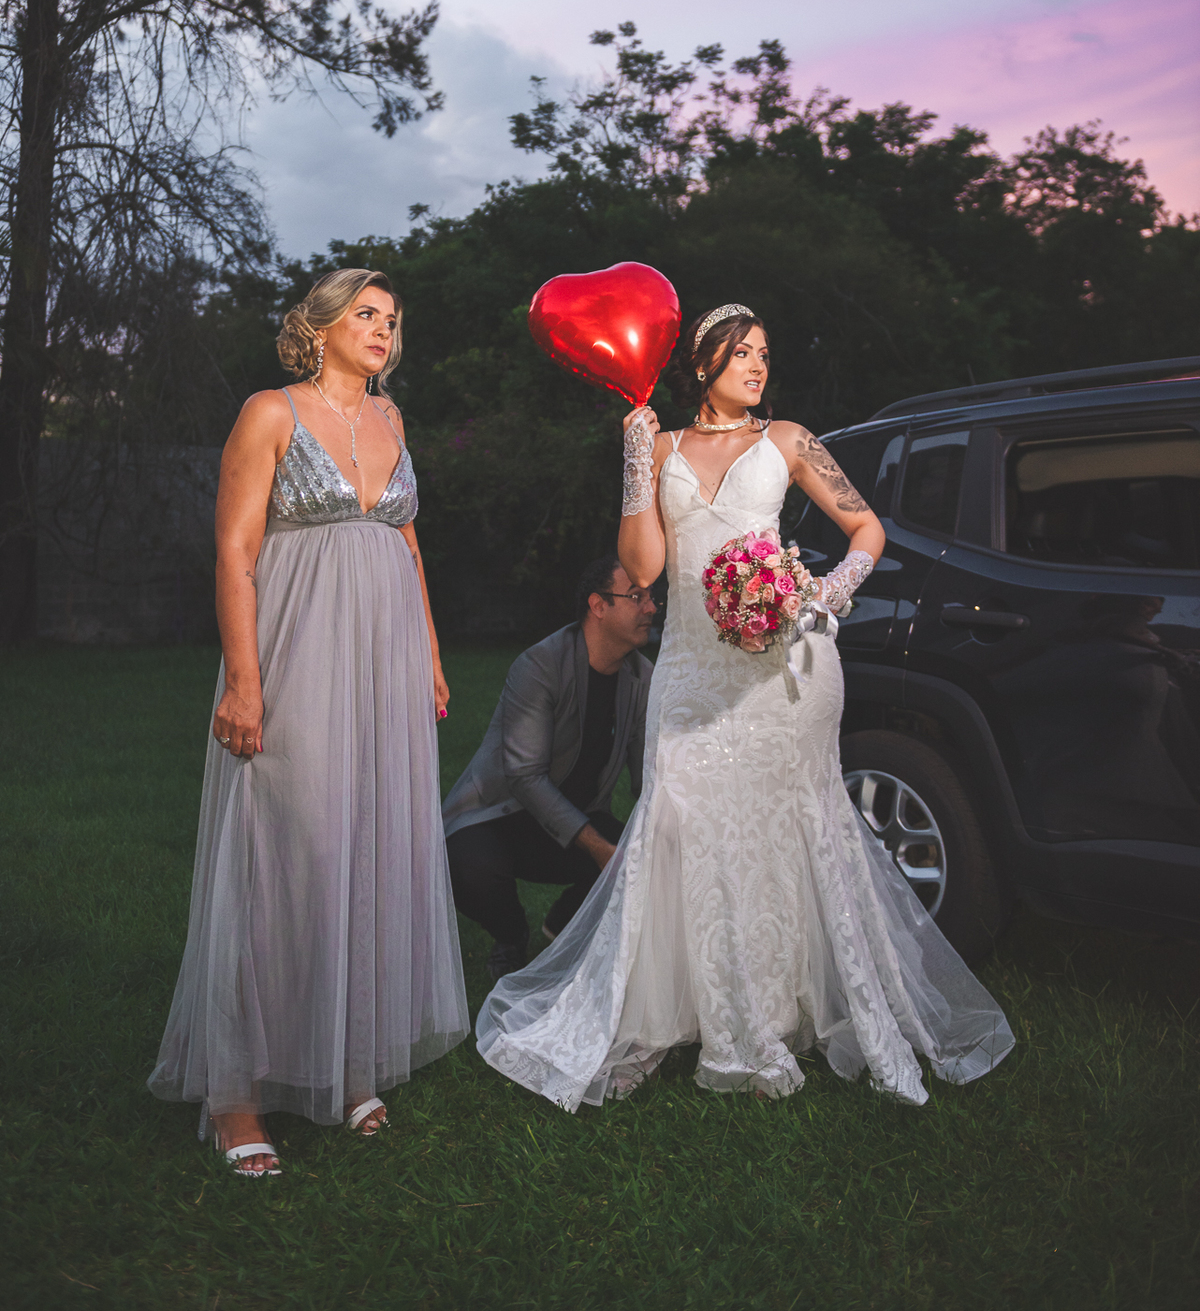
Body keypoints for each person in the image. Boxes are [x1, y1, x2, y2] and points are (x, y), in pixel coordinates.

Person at [478, 304, 1014, 1109]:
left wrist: (824, 593)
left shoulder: (789, 440)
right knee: (684, 826)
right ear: (704, 365)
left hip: (785, 670)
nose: (758, 365)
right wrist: (635, 464)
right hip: (691, 670)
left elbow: (867, 528)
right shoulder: (660, 446)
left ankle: (776, 1009)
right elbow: (644, 567)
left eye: (764, 353)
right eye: (741, 354)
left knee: (786, 826)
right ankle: (689, 1007)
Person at [149, 269, 468, 1173]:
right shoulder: (270, 412)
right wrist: (244, 682)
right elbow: (234, 550)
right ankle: (237, 1092)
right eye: (365, 313)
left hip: (385, 663)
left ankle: (346, 1059)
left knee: (370, 848)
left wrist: (430, 654)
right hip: (298, 653)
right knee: (285, 852)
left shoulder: (391, 418)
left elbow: (407, 543)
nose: (382, 328)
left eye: (391, 318)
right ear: (320, 325)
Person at [443, 555, 654, 980]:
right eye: (636, 597)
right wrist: (600, 850)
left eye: (651, 598)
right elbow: (524, 777)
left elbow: (645, 776)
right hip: (501, 816)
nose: (651, 608)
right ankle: (510, 933)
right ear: (598, 605)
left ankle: (564, 919)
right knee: (468, 865)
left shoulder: (642, 677)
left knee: (646, 860)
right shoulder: (540, 665)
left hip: (575, 817)